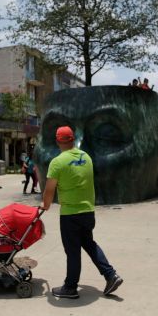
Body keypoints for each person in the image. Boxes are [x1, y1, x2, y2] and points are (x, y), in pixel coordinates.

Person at [41, 126, 123, 299]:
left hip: (70, 214)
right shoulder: (86, 157)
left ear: (58, 141)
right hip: (88, 211)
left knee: (73, 251)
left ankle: (70, 287)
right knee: (89, 243)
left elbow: (49, 190)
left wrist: (45, 205)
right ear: (72, 139)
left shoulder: (57, 162)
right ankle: (110, 275)